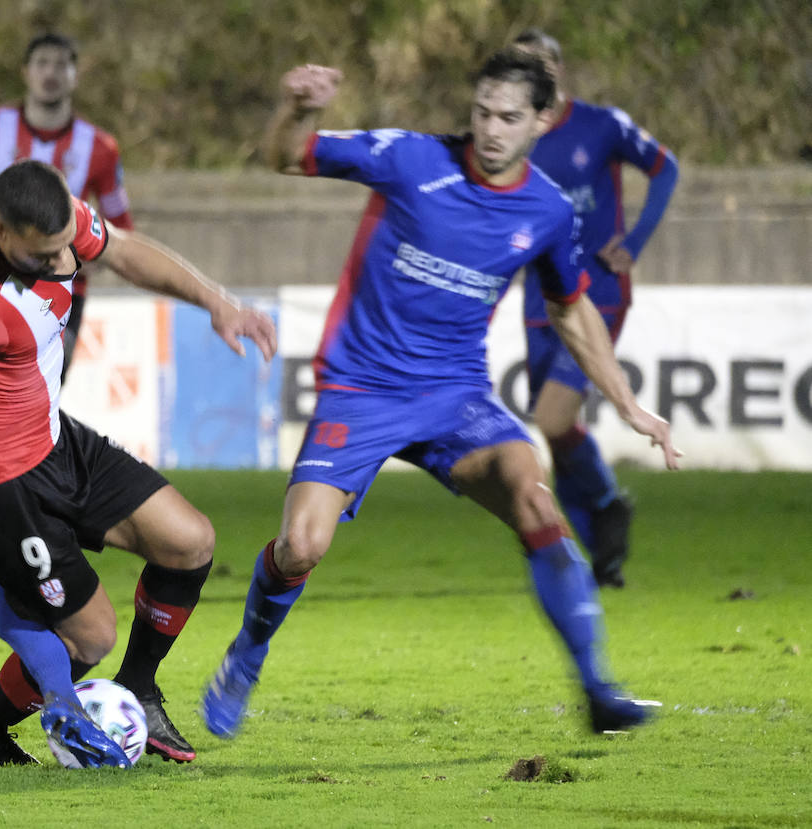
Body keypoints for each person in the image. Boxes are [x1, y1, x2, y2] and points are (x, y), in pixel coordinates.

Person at [200, 52, 681, 742]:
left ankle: (598, 687)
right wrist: (301, 109)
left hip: (455, 395)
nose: (490, 130)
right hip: (360, 388)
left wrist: (629, 404)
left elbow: (572, 309)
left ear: (543, 120)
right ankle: (248, 649)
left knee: (533, 494)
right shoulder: (409, 159)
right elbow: (286, 155)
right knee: (301, 546)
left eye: (510, 117)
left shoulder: (545, 209)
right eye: (482, 112)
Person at [0, 159, 277, 767]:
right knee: (89, 636)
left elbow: (119, 251)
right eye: (45, 257)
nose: (64, 264)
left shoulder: (47, 218)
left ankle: (140, 692)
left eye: (66, 247)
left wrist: (215, 301)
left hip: (52, 442)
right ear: (3, 235)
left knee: (189, 541)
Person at [511, 28, 680, 589]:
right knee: (559, 435)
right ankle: (602, 549)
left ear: (559, 72)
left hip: (597, 291)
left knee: (553, 418)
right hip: (538, 297)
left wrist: (632, 244)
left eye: (543, 66)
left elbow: (666, 167)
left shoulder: (602, 125)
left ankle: (605, 507)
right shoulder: (509, 137)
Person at [0, 33, 134, 373]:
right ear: (25, 72)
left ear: (75, 76)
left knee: (42, 394)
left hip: (61, 294)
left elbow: (121, 226)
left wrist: (82, 261)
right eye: (42, 63)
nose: (51, 73)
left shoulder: (100, 147)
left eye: (61, 65)